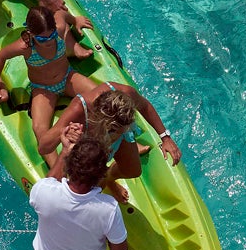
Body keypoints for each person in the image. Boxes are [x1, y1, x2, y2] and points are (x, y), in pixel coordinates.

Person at [42, 82, 180, 202]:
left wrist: (165, 137)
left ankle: (109, 177)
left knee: (133, 171)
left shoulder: (126, 94)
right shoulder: (80, 109)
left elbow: (145, 106)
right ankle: (103, 180)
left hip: (114, 134)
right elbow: (43, 147)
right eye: (118, 130)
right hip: (88, 144)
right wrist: (65, 133)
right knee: (92, 187)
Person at [0, 6, 90, 148]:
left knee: (102, 96)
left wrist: (76, 20)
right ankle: (57, 166)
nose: (48, 41)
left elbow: (61, 14)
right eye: (42, 39)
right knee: (39, 129)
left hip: (68, 77)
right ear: (31, 34)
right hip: (44, 89)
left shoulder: (60, 29)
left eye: (51, 36)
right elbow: (1, 56)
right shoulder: (25, 47)